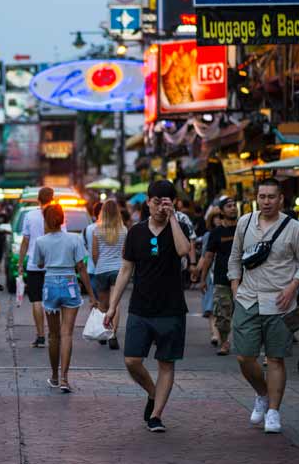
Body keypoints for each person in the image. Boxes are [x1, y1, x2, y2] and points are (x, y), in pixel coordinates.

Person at [105, 180, 192, 432]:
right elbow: (125, 269)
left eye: (165, 202)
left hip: (171, 308)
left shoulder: (179, 227)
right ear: (148, 201)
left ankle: (156, 415)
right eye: (156, 202)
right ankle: (153, 392)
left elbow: (184, 251)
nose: (159, 207)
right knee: (132, 360)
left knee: (166, 363)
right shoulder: (136, 231)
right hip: (140, 307)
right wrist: (112, 306)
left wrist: (173, 218)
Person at [227, 178, 299, 434]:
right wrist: (235, 288)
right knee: (244, 356)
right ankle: (262, 393)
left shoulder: (294, 227)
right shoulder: (245, 222)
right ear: (256, 197)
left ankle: (273, 411)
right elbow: (234, 258)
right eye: (262, 196)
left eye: (271, 197)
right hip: (248, 298)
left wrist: (292, 287)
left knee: (275, 358)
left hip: (280, 301)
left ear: (281, 199)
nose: (266, 201)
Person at [34, 203, 96, 393]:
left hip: (50, 283)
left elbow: (39, 263)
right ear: (63, 220)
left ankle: (53, 375)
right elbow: (82, 268)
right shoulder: (74, 239)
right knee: (67, 333)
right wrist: (92, 295)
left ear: (46, 220)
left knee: (53, 335)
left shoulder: (41, 241)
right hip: (70, 283)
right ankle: (64, 378)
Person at [18, 187, 60, 349]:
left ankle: (40, 335)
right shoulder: (57, 213)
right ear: (52, 198)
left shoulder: (30, 216)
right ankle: (53, 334)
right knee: (52, 300)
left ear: (38, 199)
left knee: (36, 300)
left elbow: (25, 241)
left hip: (34, 264)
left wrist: (20, 263)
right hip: (53, 264)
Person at [199, 197, 239, 356]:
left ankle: (246, 344)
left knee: (245, 315)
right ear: (222, 211)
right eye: (229, 206)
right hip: (222, 279)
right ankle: (224, 342)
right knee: (222, 315)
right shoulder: (216, 233)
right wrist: (203, 279)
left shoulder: (243, 229)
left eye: (234, 205)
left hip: (244, 280)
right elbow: (208, 257)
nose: (233, 208)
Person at [92, 199, 126, 350]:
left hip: (101, 269)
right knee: (115, 303)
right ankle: (113, 334)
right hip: (118, 270)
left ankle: (103, 332)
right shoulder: (123, 230)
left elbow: (94, 253)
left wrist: (98, 264)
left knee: (102, 304)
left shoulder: (97, 230)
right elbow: (125, 252)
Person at [197, 208, 221, 345]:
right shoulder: (208, 236)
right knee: (211, 307)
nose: (218, 220)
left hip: (225, 275)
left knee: (223, 308)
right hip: (211, 275)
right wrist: (197, 271)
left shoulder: (233, 233)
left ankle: (220, 335)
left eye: (220, 217)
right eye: (215, 218)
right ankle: (215, 334)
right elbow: (205, 257)